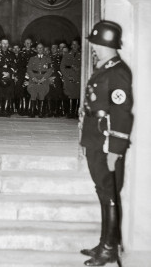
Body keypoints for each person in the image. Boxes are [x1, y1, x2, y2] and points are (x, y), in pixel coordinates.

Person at [79, 21, 133, 266]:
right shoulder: (104, 68)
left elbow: (122, 113)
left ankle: (110, 248)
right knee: (103, 192)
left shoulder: (117, 71)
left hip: (105, 142)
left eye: (96, 43)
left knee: (109, 193)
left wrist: (114, 150)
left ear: (105, 44)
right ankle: (105, 242)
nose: (93, 47)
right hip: (95, 137)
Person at [0, 38, 15, 116]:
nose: (5, 45)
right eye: (3, 44)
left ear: (8, 45)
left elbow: (14, 65)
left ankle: (5, 110)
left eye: (6, 44)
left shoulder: (12, 54)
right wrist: (3, 72)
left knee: (8, 92)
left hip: (8, 75)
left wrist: (8, 73)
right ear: (0, 44)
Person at [27, 43, 52, 118]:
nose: (40, 49)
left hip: (44, 79)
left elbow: (50, 70)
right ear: (36, 49)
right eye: (38, 48)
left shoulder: (48, 59)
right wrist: (34, 78)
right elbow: (29, 69)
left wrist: (43, 79)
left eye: (41, 48)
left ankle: (41, 112)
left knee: (42, 93)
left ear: (43, 49)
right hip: (34, 78)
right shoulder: (32, 59)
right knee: (33, 93)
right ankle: (32, 112)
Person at [60, 39, 81, 118]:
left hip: (78, 79)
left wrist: (79, 70)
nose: (74, 46)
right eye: (73, 44)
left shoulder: (82, 55)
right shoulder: (67, 55)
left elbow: (85, 67)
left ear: (78, 46)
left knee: (77, 95)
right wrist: (68, 76)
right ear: (71, 46)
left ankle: (76, 113)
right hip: (69, 78)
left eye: (76, 44)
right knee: (69, 95)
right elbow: (62, 67)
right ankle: (69, 112)